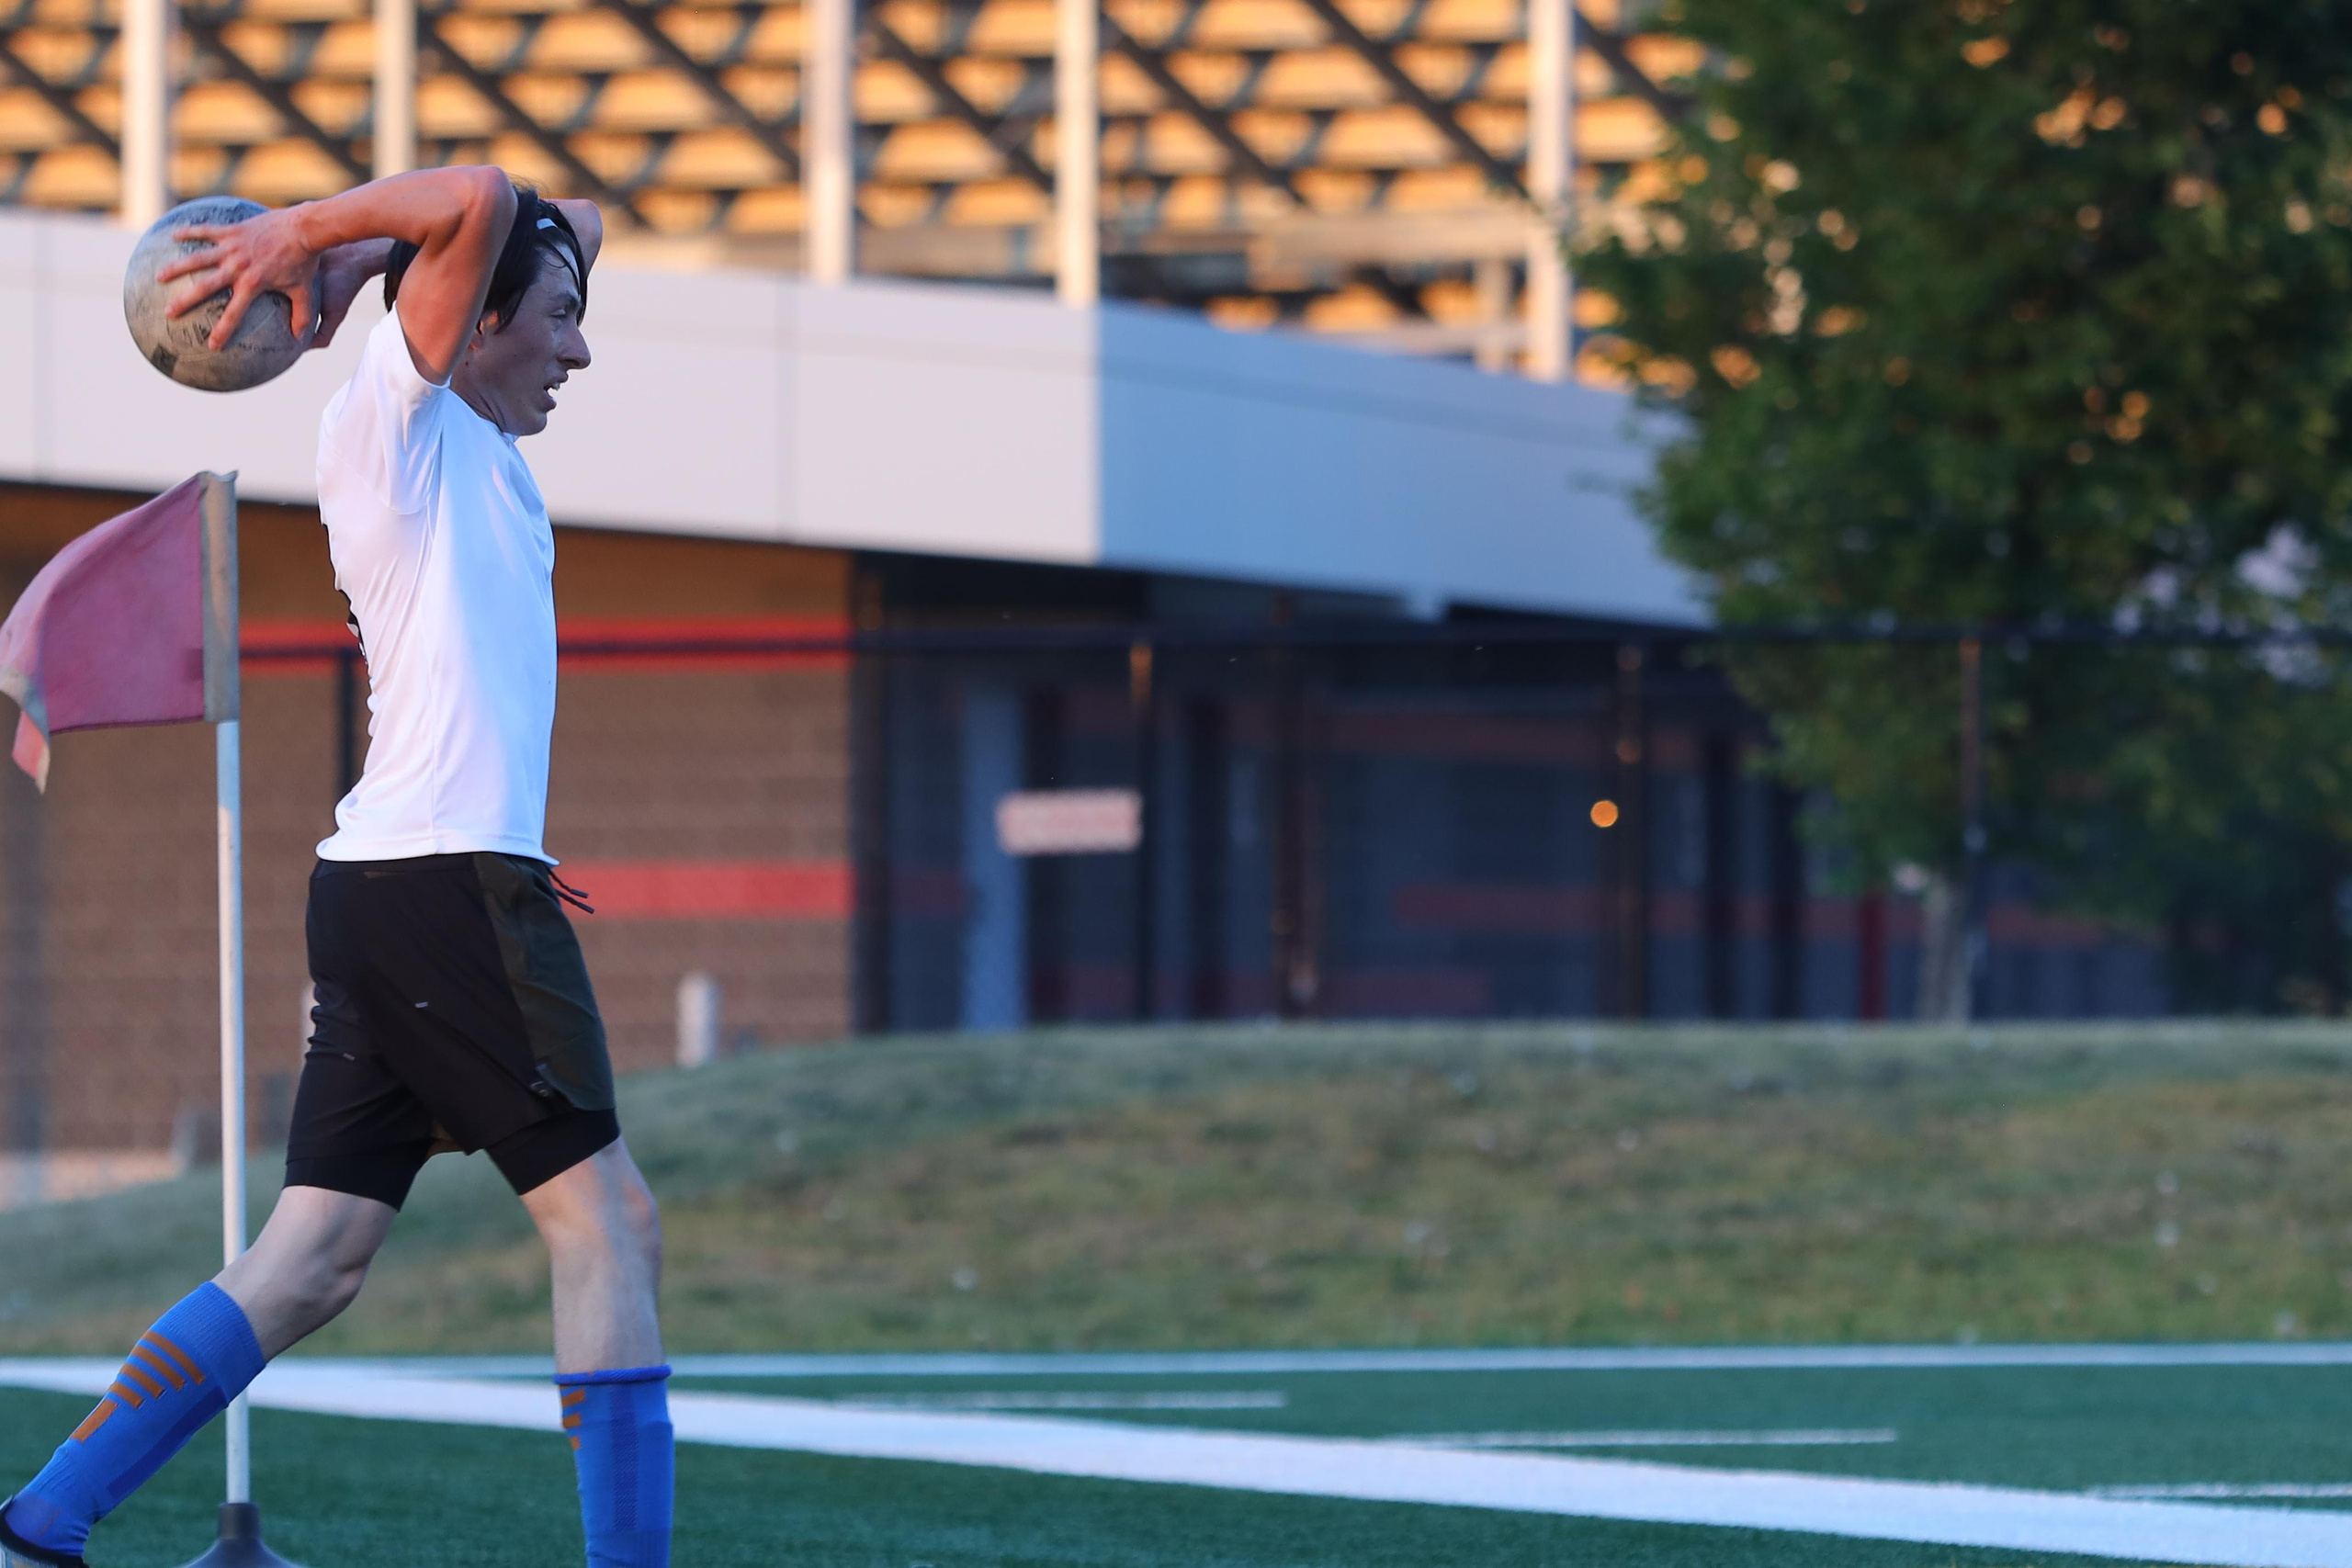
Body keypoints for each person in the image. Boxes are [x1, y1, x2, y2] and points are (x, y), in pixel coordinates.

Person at [0, 167, 672, 1568]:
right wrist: (299, 237)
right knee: (609, 1222)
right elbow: (480, 196)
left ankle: (39, 1526)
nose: (581, 349)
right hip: (453, 886)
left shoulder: (458, 421)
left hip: (388, 890)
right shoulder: (398, 415)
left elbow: (547, 216)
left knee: (311, 1261)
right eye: (558, 317)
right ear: (473, 321)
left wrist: (366, 254)